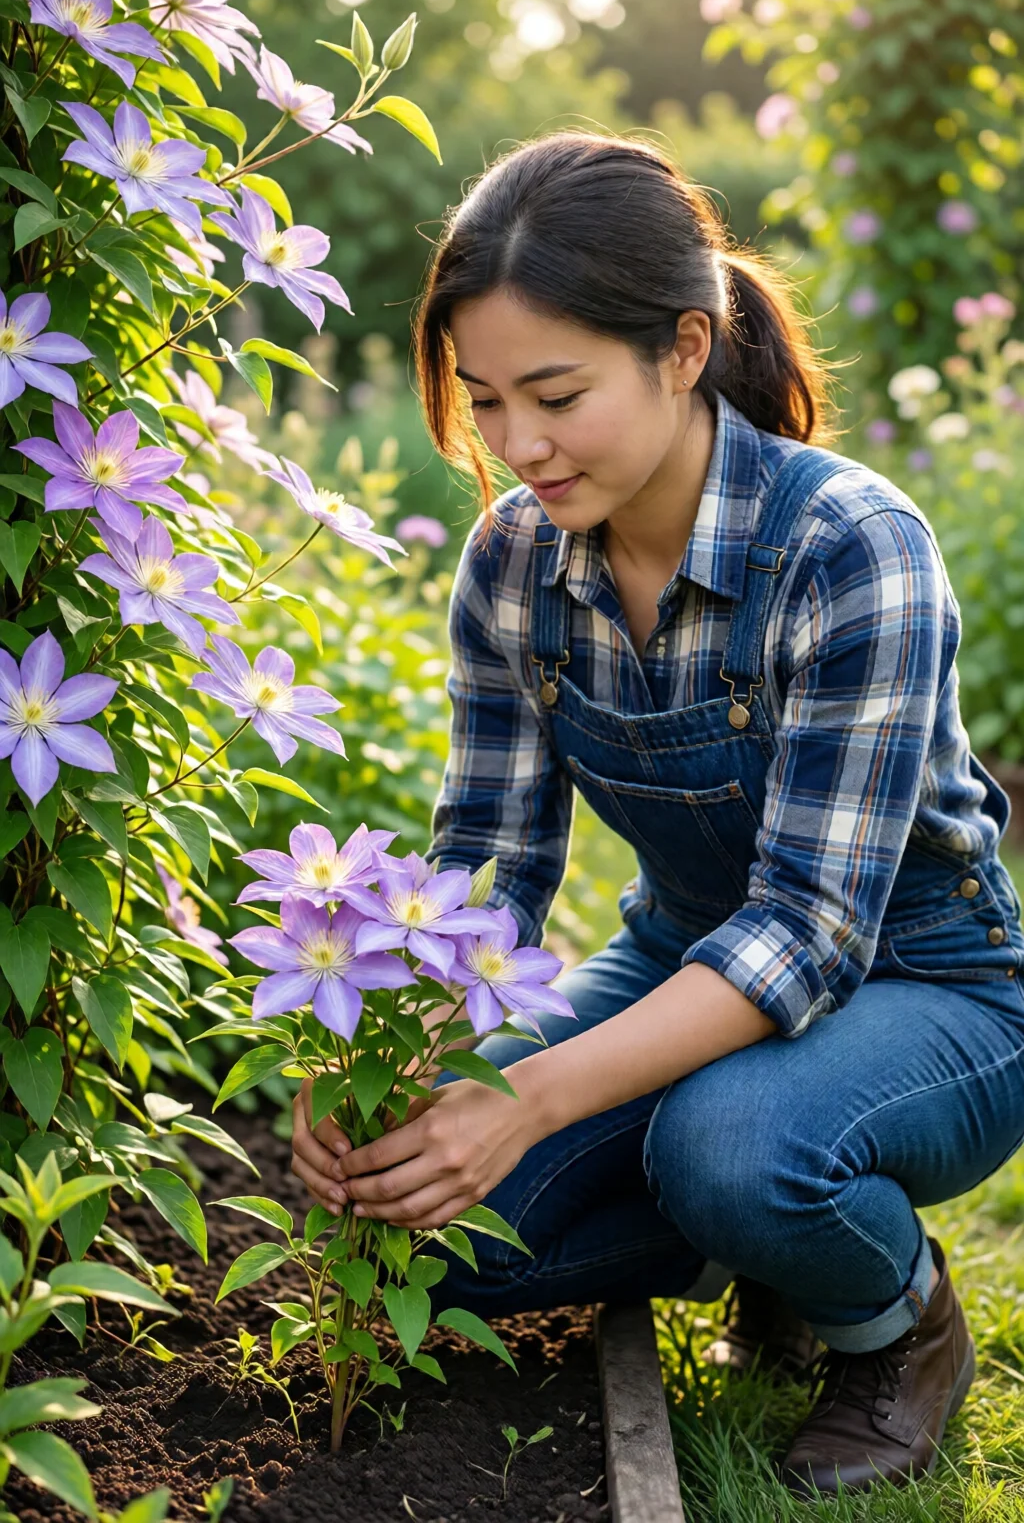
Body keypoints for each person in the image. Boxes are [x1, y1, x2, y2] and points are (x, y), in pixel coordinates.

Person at [289, 132, 1024, 1497]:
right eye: (487, 399)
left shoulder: (852, 549)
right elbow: (491, 865)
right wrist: (388, 1052)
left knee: (730, 1144)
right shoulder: (515, 562)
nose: (516, 447)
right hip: (687, 953)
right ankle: (751, 1235)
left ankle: (894, 1322)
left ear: (686, 349)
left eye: (556, 394)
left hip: (930, 984)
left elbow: (809, 932)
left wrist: (536, 1100)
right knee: (430, 1218)